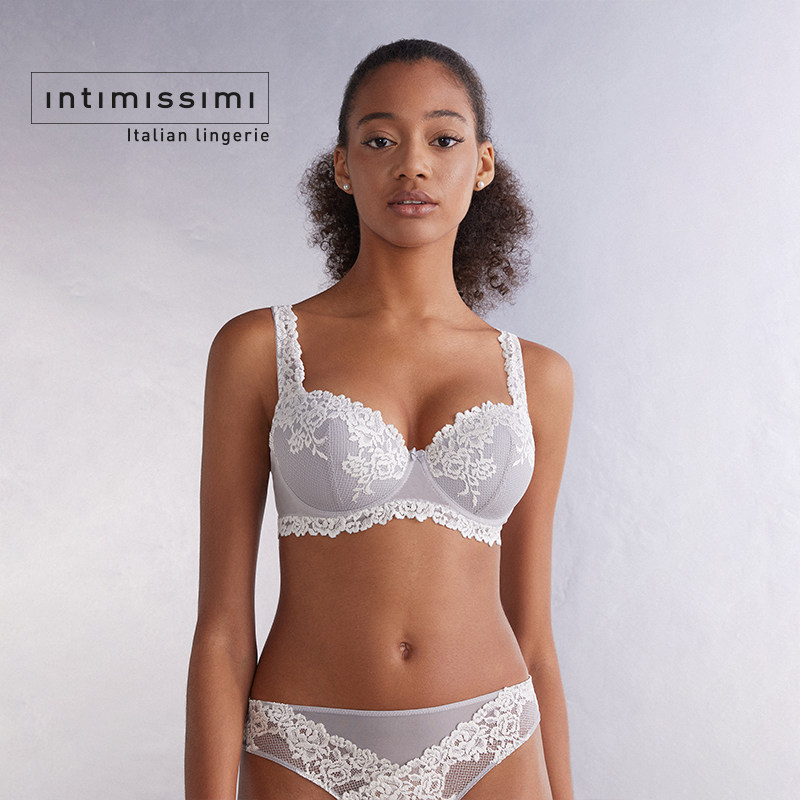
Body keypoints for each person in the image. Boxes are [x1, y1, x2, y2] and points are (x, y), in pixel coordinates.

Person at [185, 39, 574, 800]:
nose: (413, 165)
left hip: (494, 742)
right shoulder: (260, 349)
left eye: (443, 139)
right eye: (380, 140)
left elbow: (533, 635)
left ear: (483, 165)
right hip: (305, 747)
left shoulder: (538, 377)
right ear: (342, 166)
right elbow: (223, 629)